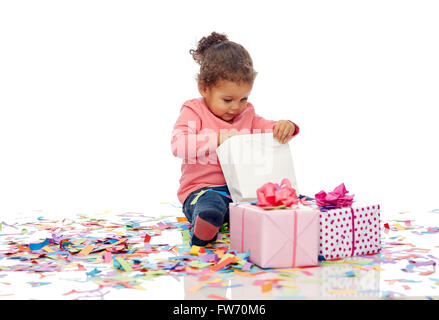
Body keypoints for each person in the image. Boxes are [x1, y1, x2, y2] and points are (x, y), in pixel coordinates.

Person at [171, 31, 300, 246]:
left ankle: (281, 229)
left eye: (243, 99)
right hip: (202, 190)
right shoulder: (194, 111)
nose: (236, 107)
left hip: (242, 191)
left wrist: (286, 127)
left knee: (276, 199)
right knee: (211, 205)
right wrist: (217, 138)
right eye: (227, 99)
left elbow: (267, 128)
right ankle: (206, 225)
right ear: (204, 88)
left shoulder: (246, 114)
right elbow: (179, 145)